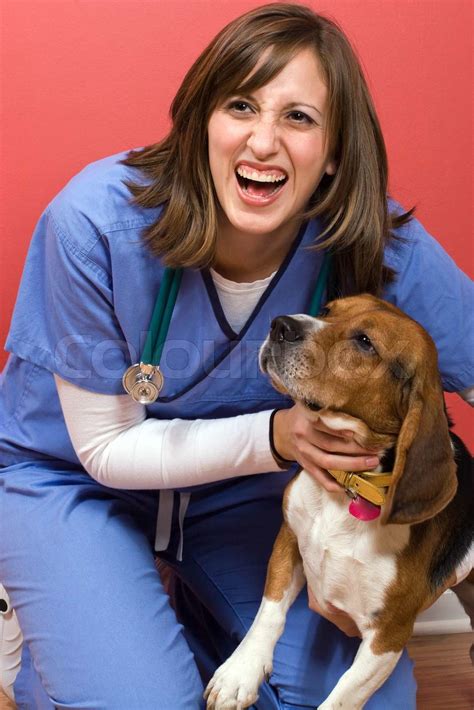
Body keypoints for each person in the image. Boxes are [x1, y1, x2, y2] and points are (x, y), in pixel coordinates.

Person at [0, 3, 472, 708]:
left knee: (364, 700)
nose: (262, 142)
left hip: (246, 498)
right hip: (76, 484)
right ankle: (79, 638)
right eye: (241, 105)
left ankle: (169, 625)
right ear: (200, 121)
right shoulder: (94, 224)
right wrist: (279, 434)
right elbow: (104, 448)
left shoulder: (374, 240)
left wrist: (456, 551)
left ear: (335, 150)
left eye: (299, 118)